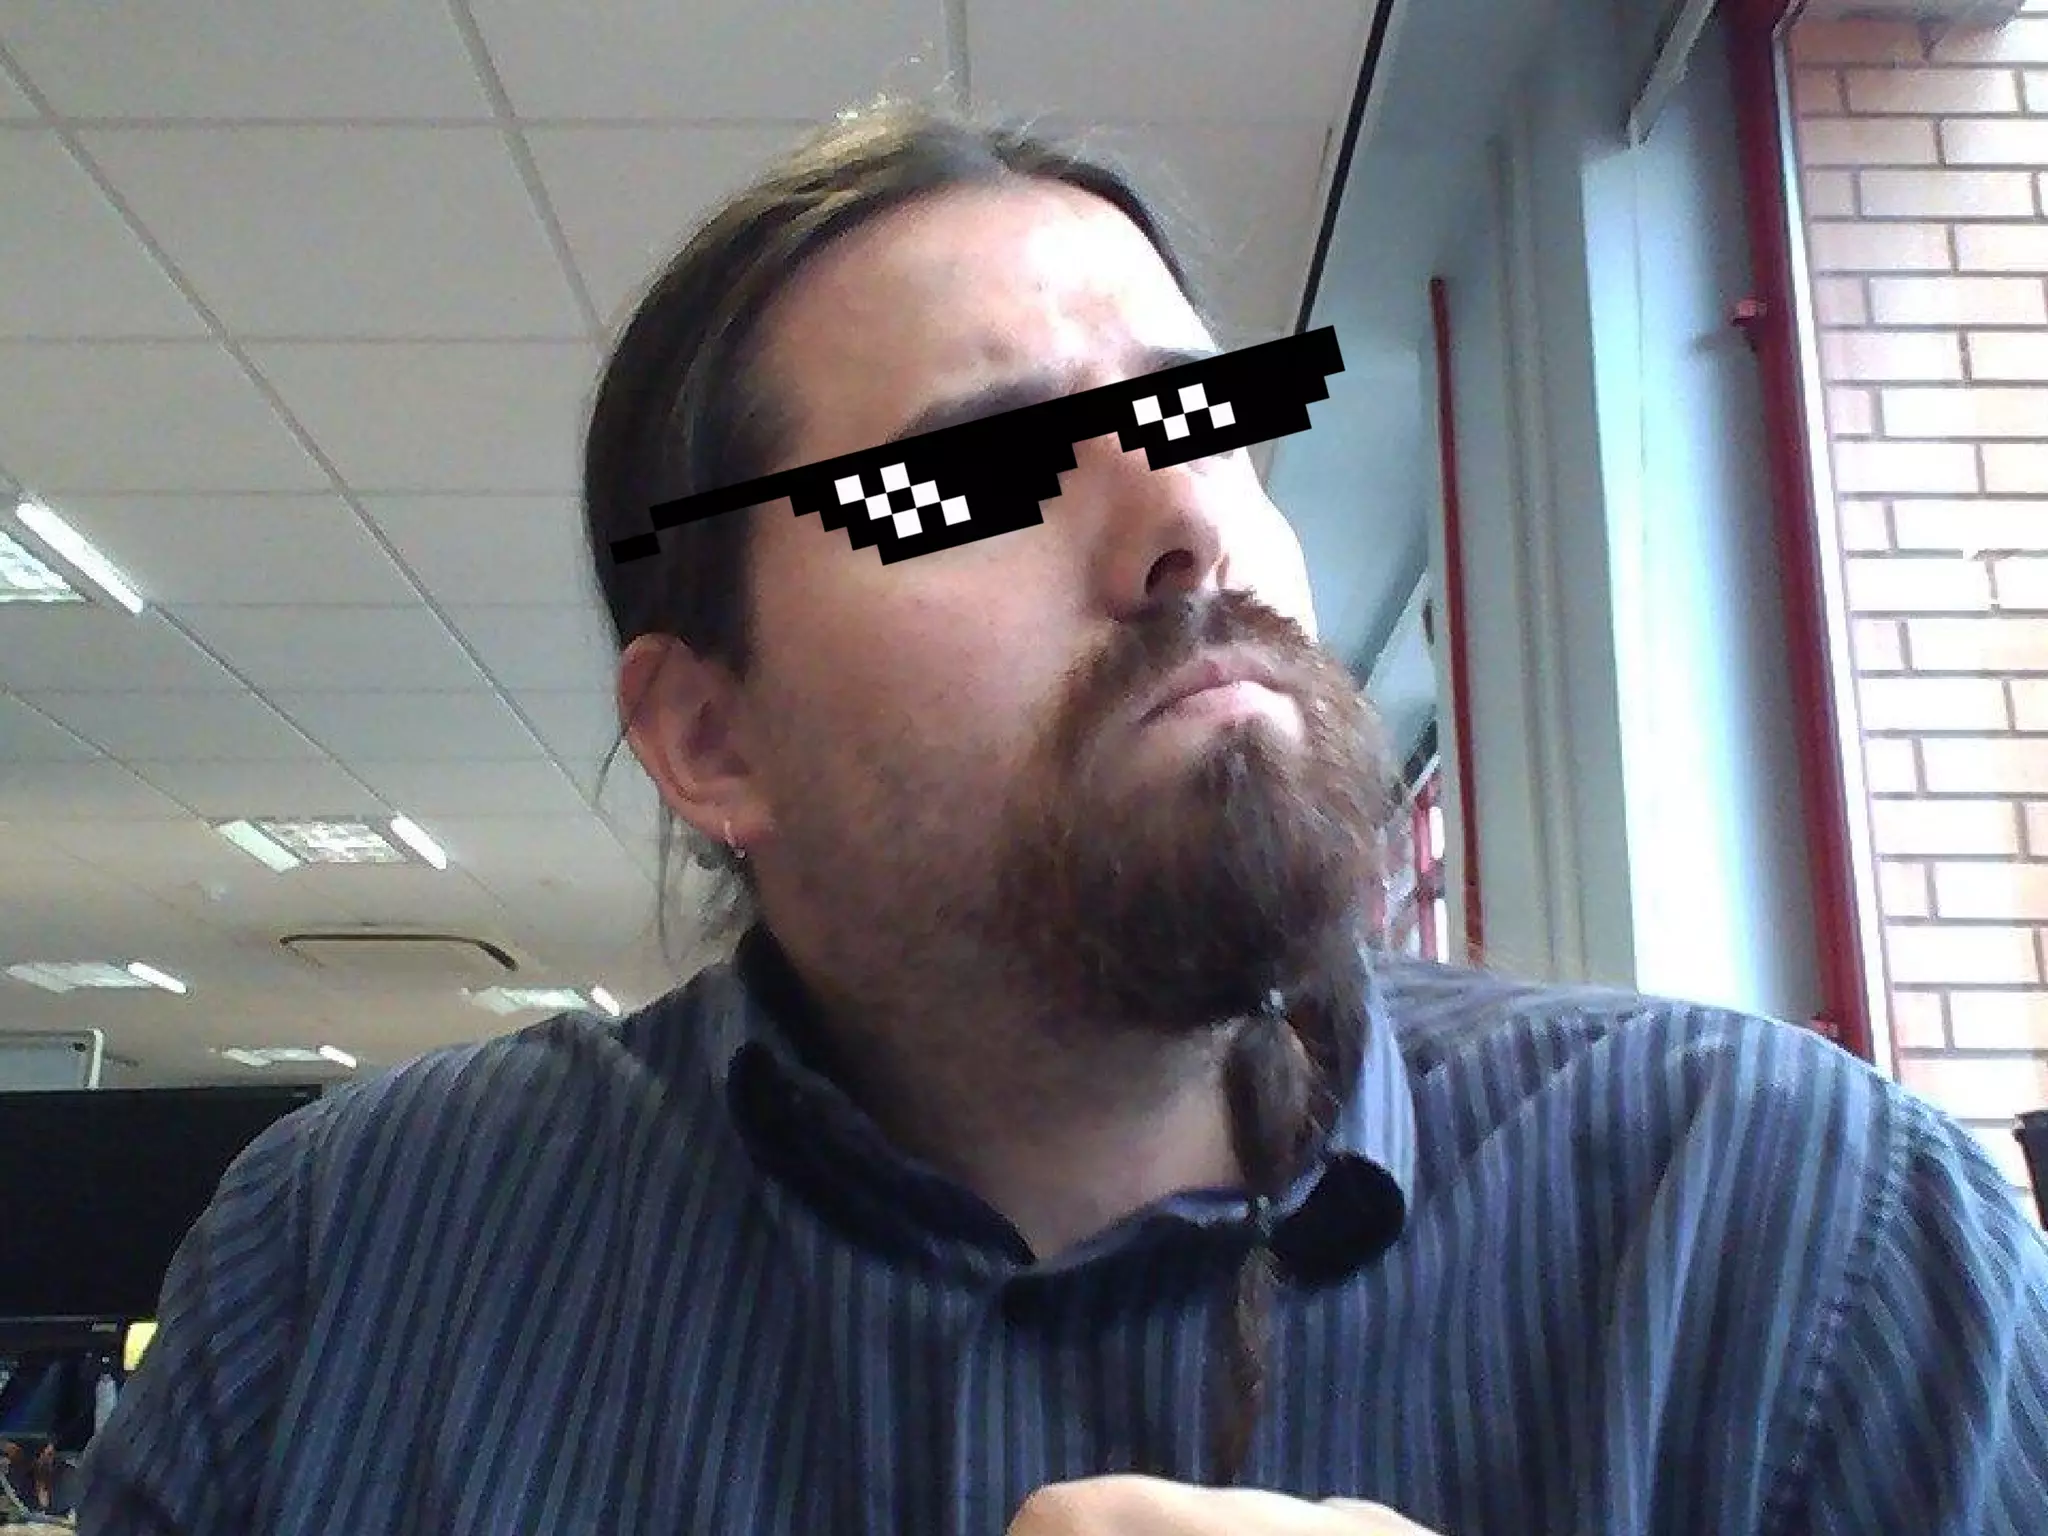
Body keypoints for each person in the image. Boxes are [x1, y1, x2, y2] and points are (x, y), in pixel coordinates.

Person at [79, 100, 2048, 1536]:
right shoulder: (353, 1261)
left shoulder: (1807, 1236)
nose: (1188, 521)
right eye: (976, 474)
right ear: (710, 736)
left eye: (1203, 418)